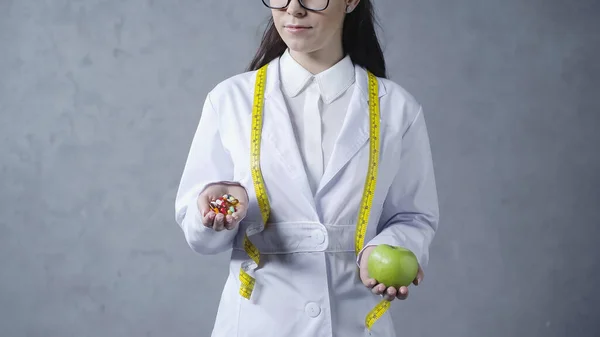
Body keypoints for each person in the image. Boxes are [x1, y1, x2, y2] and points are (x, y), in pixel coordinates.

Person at [174, 0, 439, 336]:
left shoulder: (397, 108)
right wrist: (214, 216)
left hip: (355, 323)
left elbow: (414, 217)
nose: (293, 8)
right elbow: (199, 235)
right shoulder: (230, 100)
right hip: (260, 322)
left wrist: (383, 249)